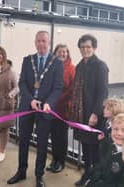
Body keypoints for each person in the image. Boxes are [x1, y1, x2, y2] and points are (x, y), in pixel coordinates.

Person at [7, 31, 63, 187]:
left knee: (42, 144)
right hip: (27, 107)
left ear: (49, 42)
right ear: (35, 42)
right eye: (38, 41)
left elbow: (58, 87)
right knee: (23, 141)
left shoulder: (57, 63)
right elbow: (22, 83)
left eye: (44, 41)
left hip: (44, 111)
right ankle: (21, 171)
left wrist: (48, 103)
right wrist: (31, 100)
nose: (41, 44)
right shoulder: (28, 60)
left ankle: (39, 175)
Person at [71, 34, 109, 186]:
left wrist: (95, 113)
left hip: (94, 115)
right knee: (85, 148)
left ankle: (95, 179)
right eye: (82, 47)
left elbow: (103, 92)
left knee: (96, 151)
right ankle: (87, 175)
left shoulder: (100, 66)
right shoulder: (80, 66)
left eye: (88, 47)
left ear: (94, 48)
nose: (85, 49)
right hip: (81, 115)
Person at [86, 113, 124, 187]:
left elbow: (123, 183)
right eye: (115, 129)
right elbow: (100, 166)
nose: (119, 133)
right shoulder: (108, 145)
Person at [46, 44, 75, 173]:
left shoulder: (72, 69)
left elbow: (72, 90)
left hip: (63, 109)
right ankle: (54, 159)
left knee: (61, 137)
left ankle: (61, 162)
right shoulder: (51, 67)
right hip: (51, 108)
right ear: (55, 53)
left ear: (67, 54)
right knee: (53, 136)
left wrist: (57, 99)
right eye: (60, 52)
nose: (62, 54)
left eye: (65, 52)